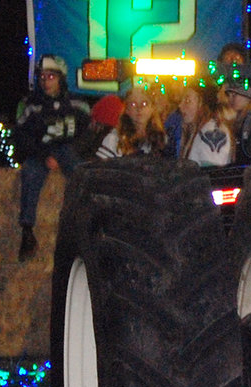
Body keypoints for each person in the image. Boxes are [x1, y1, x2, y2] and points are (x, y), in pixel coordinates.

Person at [15, 54, 91, 260]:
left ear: (61, 78)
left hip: (68, 149)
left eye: (50, 77)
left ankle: (86, 222)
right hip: (42, 152)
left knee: (80, 174)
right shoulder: (32, 106)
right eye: (42, 77)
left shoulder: (78, 104)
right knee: (30, 174)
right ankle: (27, 231)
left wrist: (72, 152)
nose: (45, 81)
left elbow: (88, 135)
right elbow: (22, 137)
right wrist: (43, 155)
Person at [95, 85, 167, 158]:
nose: (139, 109)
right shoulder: (114, 140)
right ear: (127, 109)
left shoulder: (161, 139)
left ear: (152, 108)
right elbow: (100, 168)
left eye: (144, 104)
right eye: (133, 104)